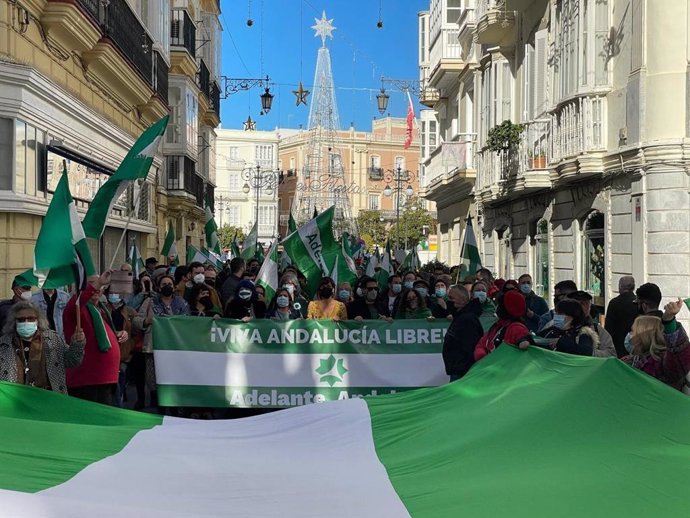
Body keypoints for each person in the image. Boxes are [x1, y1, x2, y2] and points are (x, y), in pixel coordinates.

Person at [63, 271, 125, 405]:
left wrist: (117, 335)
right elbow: (78, 302)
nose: (96, 288)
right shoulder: (77, 309)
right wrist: (99, 282)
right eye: (90, 284)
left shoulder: (101, 310)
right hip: (87, 381)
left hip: (107, 378)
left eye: (99, 285)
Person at [0, 301, 85, 392]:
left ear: (38, 320)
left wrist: (77, 344)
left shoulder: (52, 339)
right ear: (14, 322)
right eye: (21, 319)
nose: (26, 322)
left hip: (48, 398)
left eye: (31, 318)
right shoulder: (3, 344)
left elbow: (72, 361)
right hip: (16, 400)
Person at [138, 274, 189, 409]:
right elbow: (136, 321)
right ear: (159, 287)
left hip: (174, 348)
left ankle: (173, 406)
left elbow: (188, 322)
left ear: (174, 286)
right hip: (153, 346)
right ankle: (156, 405)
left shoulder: (182, 303)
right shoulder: (150, 302)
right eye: (164, 284)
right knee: (153, 378)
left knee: (172, 377)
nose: (167, 286)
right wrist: (146, 321)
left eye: (169, 284)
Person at [623, 299, 690, 391]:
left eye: (633, 331)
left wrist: (669, 321)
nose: (630, 335)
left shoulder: (660, 364)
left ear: (644, 336)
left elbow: (678, 356)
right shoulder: (634, 360)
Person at [104, 287, 143, 407]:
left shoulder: (129, 311)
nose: (114, 295)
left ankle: (119, 407)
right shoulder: (102, 310)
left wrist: (130, 344)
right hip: (107, 352)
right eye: (112, 293)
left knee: (120, 380)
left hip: (123, 353)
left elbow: (138, 330)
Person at [474, 291, 532, 361]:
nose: (497, 307)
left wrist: (523, 341)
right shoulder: (498, 325)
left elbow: (523, 341)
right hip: (490, 366)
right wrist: (481, 352)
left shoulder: (516, 328)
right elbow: (483, 342)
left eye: (500, 305)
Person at [442, 286, 484, 381]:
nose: (449, 301)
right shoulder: (462, 317)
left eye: (452, 298)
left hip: (463, 373)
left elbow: (470, 348)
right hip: (459, 370)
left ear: (462, 301)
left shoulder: (467, 320)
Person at [567, 290, 616, 357]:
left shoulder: (598, 330)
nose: (579, 307)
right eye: (575, 304)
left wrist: (591, 353)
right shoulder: (557, 326)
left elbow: (611, 354)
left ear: (589, 307)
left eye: (583, 304)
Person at [605, 276, 639, 357]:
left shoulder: (614, 303)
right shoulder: (638, 303)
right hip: (635, 345)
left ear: (620, 286)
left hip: (618, 347)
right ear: (633, 287)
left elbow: (608, 328)